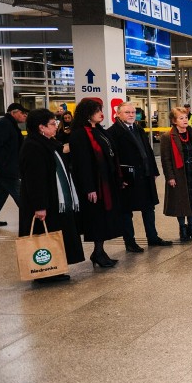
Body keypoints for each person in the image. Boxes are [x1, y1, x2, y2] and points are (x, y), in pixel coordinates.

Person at [18, 108, 84, 283]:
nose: (56, 126)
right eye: (52, 124)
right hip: (43, 203)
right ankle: (43, 273)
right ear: (41, 127)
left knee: (55, 235)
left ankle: (54, 268)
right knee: (43, 238)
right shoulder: (33, 147)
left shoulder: (48, 143)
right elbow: (34, 180)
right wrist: (39, 206)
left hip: (54, 200)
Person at [109, 102, 172, 253]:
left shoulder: (138, 128)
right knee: (126, 211)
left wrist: (154, 170)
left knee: (149, 208)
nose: (131, 115)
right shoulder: (113, 132)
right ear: (118, 114)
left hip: (144, 174)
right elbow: (113, 158)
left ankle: (153, 237)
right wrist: (119, 178)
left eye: (133, 112)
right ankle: (130, 242)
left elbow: (148, 151)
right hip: (128, 178)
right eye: (127, 112)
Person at [69, 98, 123, 268]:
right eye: (97, 110)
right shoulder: (79, 134)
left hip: (106, 182)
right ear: (87, 114)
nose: (101, 113)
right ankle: (98, 253)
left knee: (104, 218)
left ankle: (99, 251)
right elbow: (82, 164)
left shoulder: (98, 130)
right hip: (93, 185)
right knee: (96, 219)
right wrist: (89, 187)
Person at [160, 107, 192, 241]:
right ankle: (183, 229)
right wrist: (170, 176)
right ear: (174, 121)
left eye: (186, 118)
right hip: (179, 174)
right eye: (181, 118)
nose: (185, 120)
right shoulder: (167, 137)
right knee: (181, 201)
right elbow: (166, 159)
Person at [0, 102, 29, 226]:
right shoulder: (4, 124)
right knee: (21, 195)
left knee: (0, 194)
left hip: (8, 166)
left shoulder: (11, 124)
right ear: (13, 112)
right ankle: (33, 219)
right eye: (22, 113)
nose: (24, 116)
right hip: (5, 168)